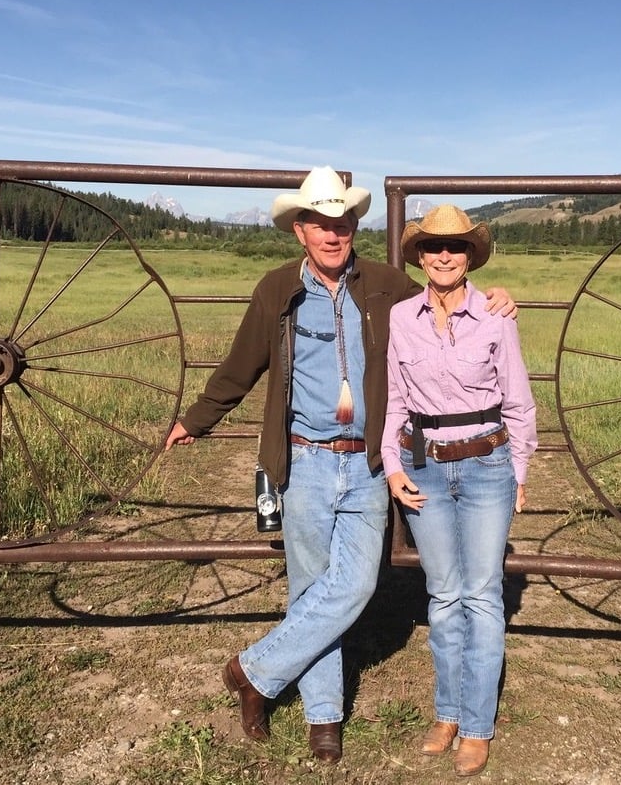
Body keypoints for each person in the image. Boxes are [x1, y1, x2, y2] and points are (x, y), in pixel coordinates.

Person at [164, 167, 517, 764]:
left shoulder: (385, 285)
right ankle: (322, 716)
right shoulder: (277, 289)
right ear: (299, 230)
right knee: (308, 589)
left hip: (368, 465)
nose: (333, 234)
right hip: (303, 458)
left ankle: (252, 671)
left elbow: (447, 296)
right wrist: (198, 419)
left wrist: (498, 299)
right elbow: (241, 363)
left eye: (343, 223)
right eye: (320, 225)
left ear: (355, 226)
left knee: (355, 583)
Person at [382, 204, 538, 777]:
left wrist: (519, 471)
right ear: (419, 256)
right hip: (423, 466)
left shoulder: (497, 316)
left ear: (470, 255)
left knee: (482, 593)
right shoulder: (402, 317)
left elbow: (519, 401)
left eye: (454, 246)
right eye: (432, 247)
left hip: (486, 466)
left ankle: (476, 725)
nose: (443, 255)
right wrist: (392, 464)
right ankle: (446, 711)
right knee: (443, 595)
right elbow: (395, 399)